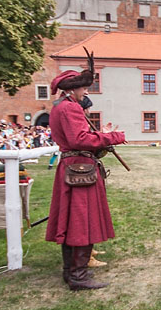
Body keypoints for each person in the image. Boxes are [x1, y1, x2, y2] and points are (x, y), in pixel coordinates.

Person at [45, 50, 126, 290]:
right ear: (72, 89)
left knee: (72, 222)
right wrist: (114, 136)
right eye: (83, 88)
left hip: (73, 169)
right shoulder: (70, 108)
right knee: (81, 222)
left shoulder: (61, 107)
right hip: (79, 172)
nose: (86, 92)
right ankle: (78, 276)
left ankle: (70, 271)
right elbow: (79, 139)